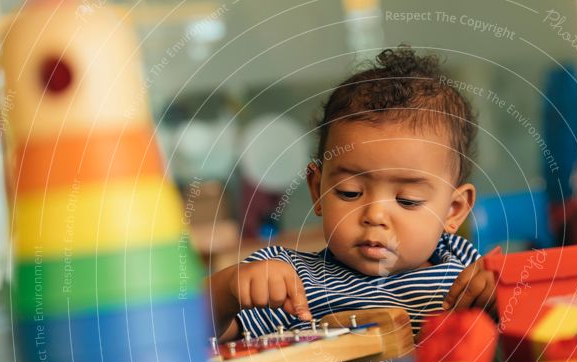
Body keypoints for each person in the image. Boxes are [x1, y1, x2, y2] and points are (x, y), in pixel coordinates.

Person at [209, 46, 496, 341]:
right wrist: (227, 290)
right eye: (349, 193)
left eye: (407, 200)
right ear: (317, 190)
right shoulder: (291, 281)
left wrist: (501, 302)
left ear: (453, 210)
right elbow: (192, 332)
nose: (375, 215)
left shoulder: (464, 275)